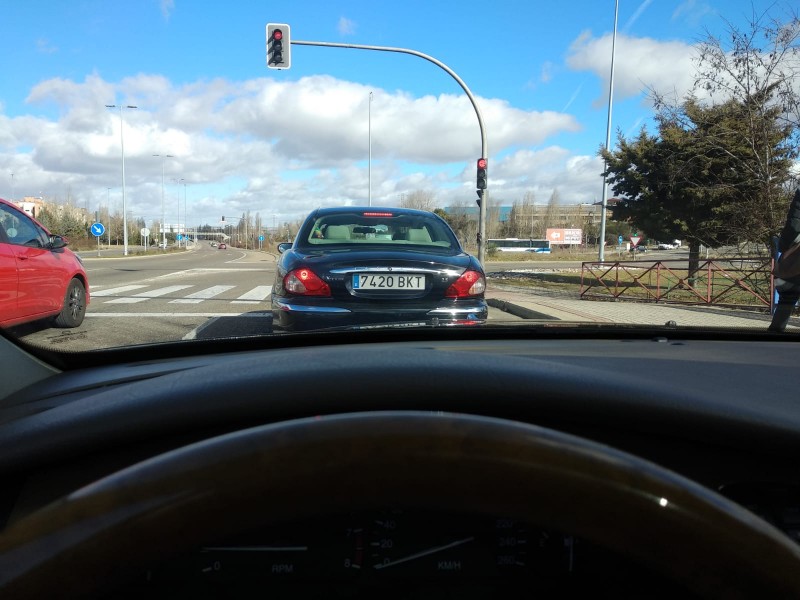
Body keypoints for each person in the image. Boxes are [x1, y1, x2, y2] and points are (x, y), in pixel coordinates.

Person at [769, 188, 800, 332]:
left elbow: (794, 222)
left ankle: (773, 338)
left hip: (791, 268)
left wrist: (786, 245)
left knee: (786, 301)